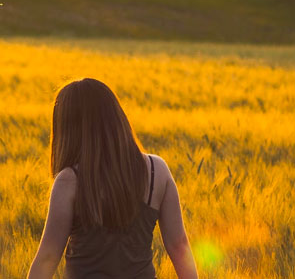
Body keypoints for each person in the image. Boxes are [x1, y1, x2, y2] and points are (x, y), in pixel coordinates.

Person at [26, 78, 199, 279]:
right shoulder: (157, 170)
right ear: (117, 118)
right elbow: (179, 247)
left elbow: (48, 257)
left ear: (67, 129)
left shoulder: (69, 181)